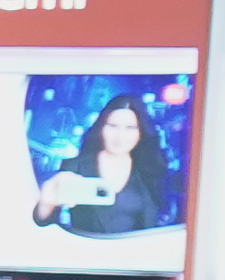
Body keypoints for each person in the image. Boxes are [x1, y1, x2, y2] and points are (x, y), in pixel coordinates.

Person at [28, 91, 182, 235]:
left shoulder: (151, 170)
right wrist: (46, 202)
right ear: (101, 127)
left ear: (141, 132)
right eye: (112, 126)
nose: (120, 136)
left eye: (130, 128)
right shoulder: (74, 167)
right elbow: (43, 224)